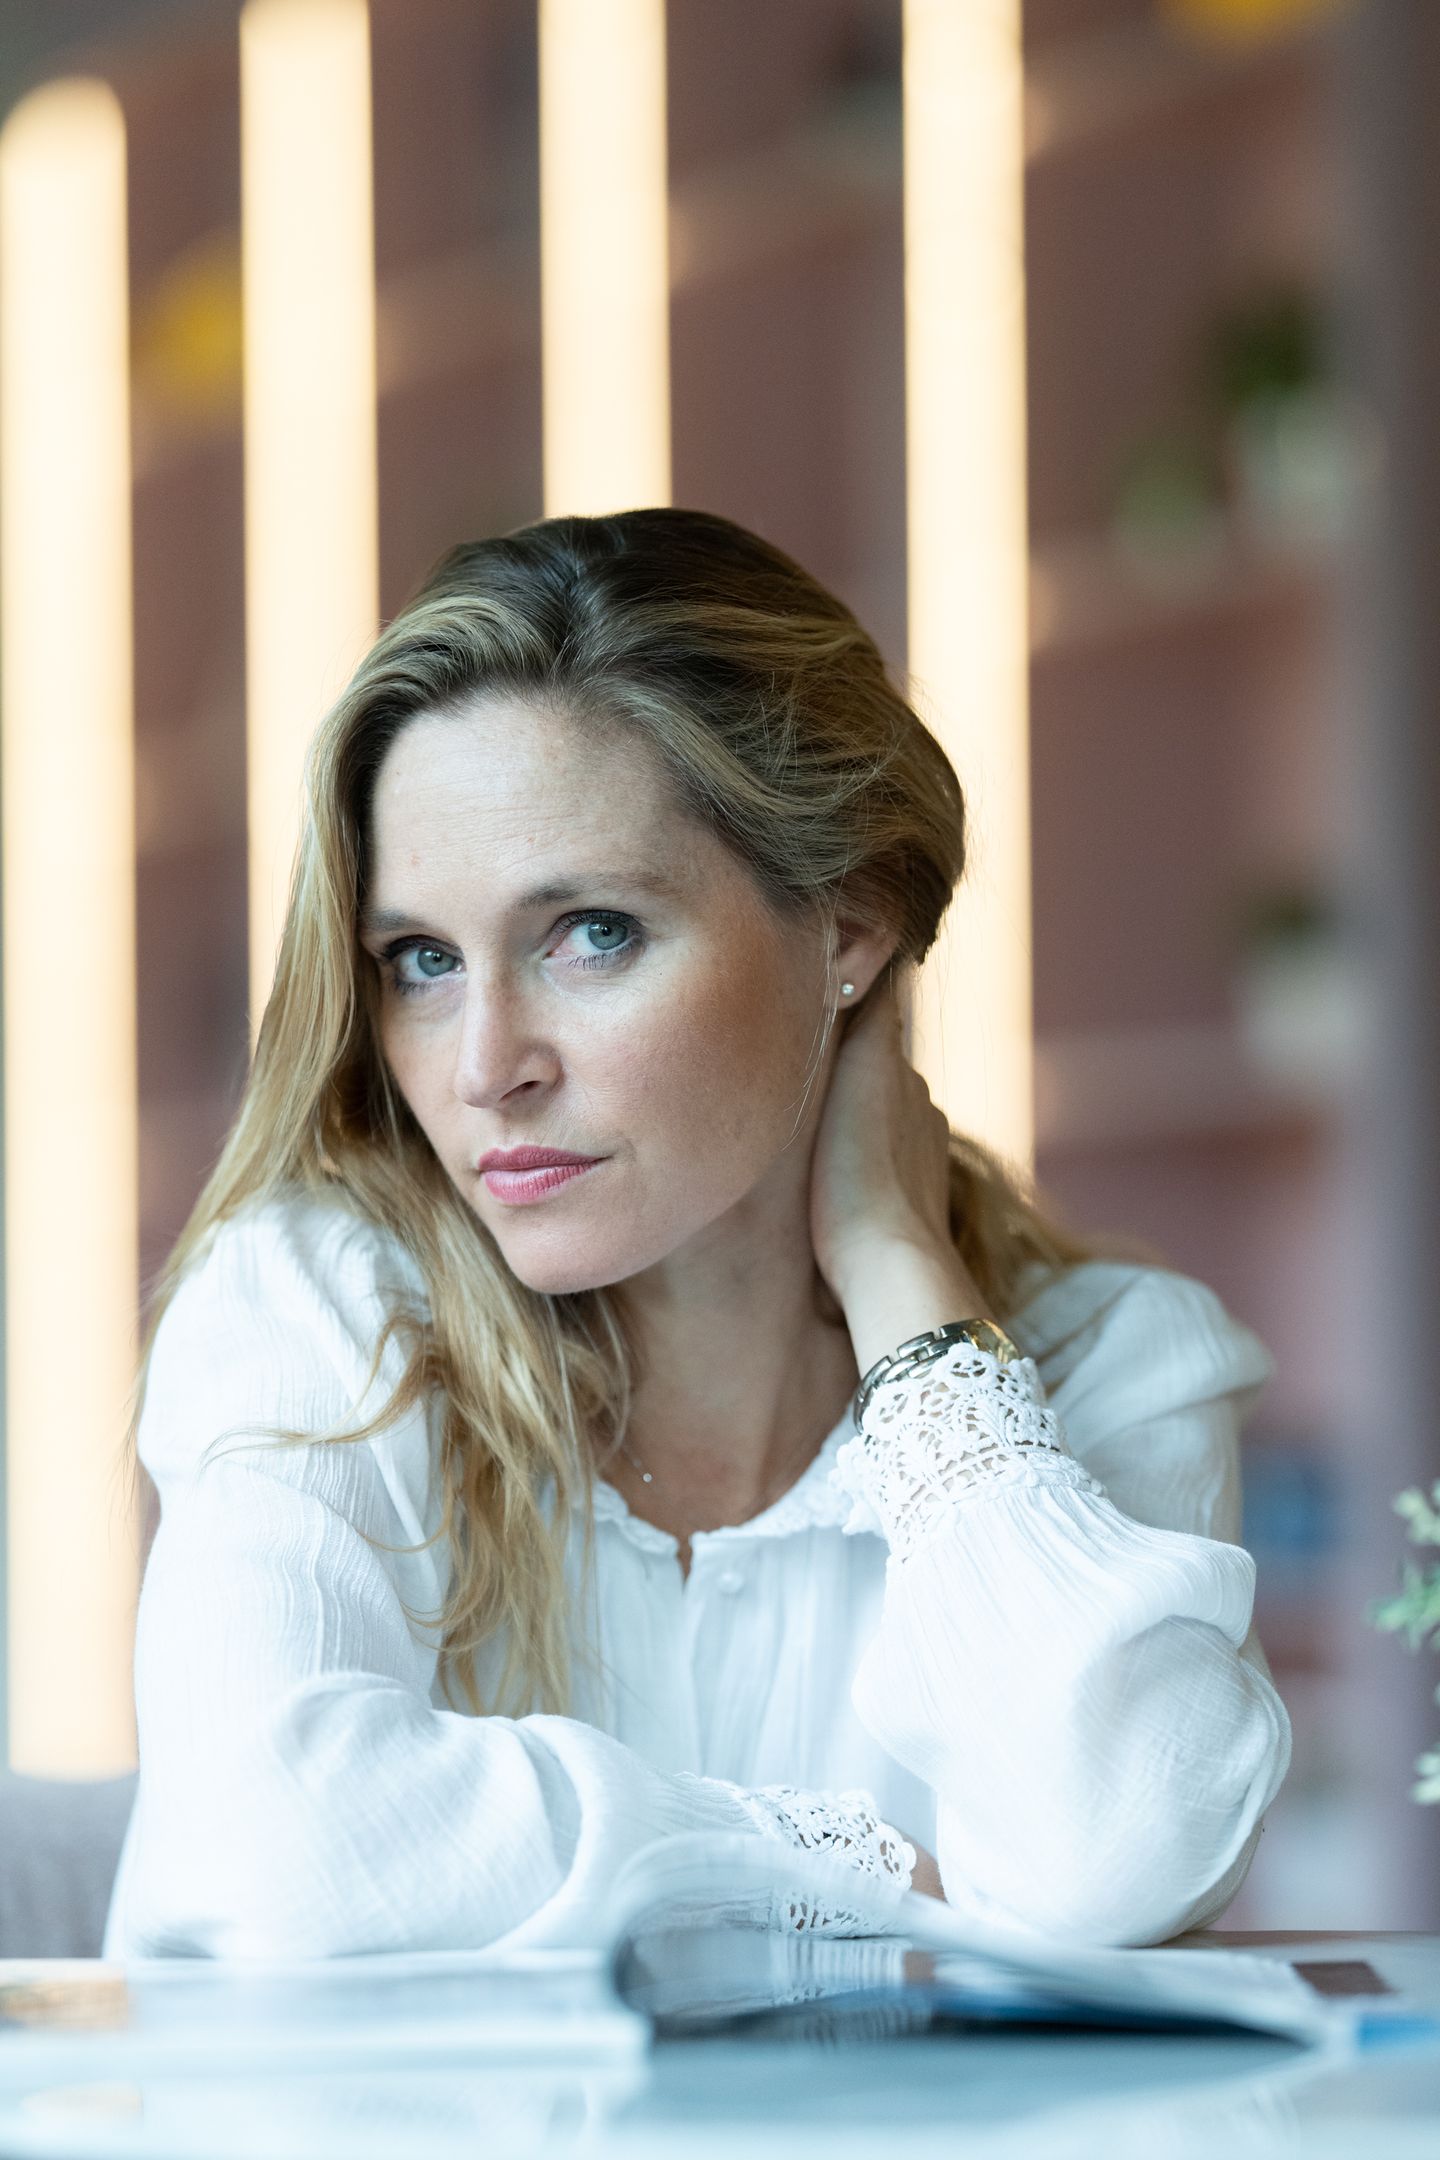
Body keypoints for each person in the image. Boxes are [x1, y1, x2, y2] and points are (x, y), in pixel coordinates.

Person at [103, 508, 1290, 1959]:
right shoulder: (318, 1306)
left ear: (849, 925)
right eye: (421, 959)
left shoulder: (1108, 1361)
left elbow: (1131, 1851)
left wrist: (901, 1277)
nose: (484, 1067)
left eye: (590, 932)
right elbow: (277, 1847)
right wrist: (831, 1865)